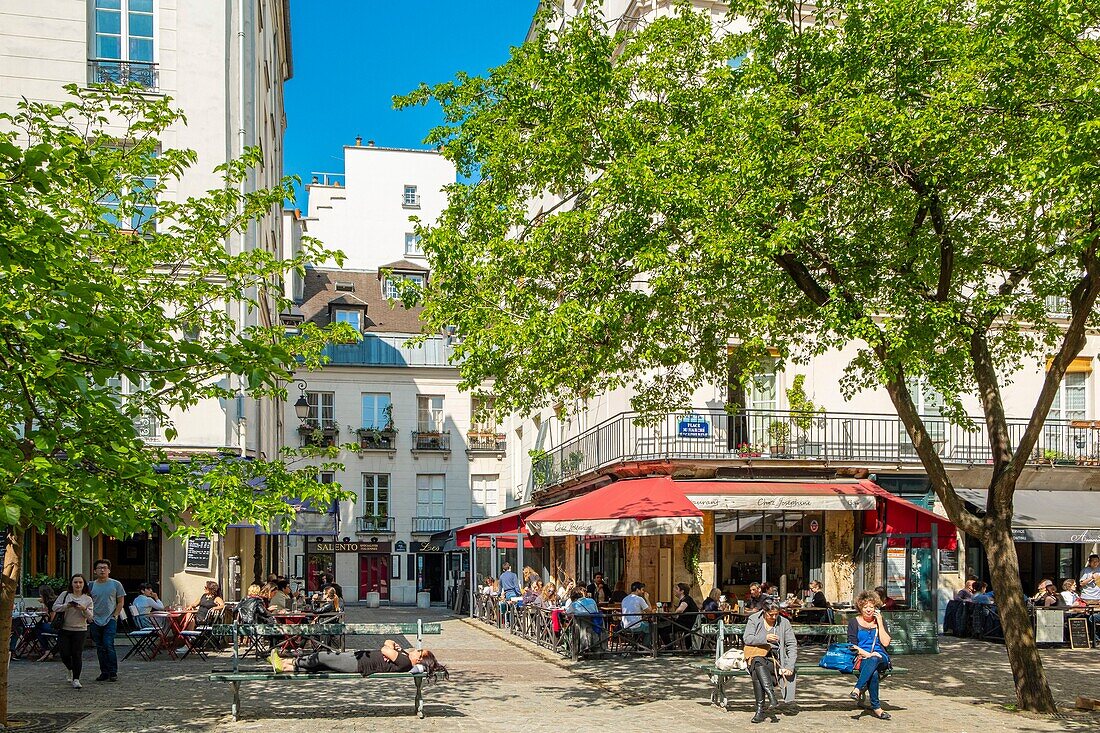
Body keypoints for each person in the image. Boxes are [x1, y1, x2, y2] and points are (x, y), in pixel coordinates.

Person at [268, 639, 448, 681]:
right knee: (321, 665)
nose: (415, 650)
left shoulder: (405, 662)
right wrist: (393, 647)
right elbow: (387, 644)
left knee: (322, 656)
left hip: (358, 664)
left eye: (419, 651)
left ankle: (290, 662)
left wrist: (391, 648)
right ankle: (284, 666)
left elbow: (385, 647)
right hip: (358, 659)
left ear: (419, 659)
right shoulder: (403, 658)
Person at [743, 598, 797, 724]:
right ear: (764, 611)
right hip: (755, 656)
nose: (773, 617)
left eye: (776, 614)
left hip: (775, 659)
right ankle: (770, 696)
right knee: (757, 661)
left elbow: (791, 645)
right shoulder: (754, 619)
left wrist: (789, 666)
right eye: (770, 614)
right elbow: (747, 638)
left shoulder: (784, 623)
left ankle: (761, 710)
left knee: (757, 668)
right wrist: (765, 638)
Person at [847, 589, 893, 720]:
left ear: (876, 608)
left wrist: (880, 622)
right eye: (865, 607)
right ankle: (877, 708)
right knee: (872, 672)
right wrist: (868, 654)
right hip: (862, 657)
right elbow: (852, 646)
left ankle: (857, 689)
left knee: (875, 658)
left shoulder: (880, 622)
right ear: (860, 608)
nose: (868, 610)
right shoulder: (854, 623)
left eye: (871, 607)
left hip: (881, 657)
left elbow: (886, 642)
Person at [52, 573, 94, 689]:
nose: (78, 584)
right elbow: (55, 607)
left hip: (80, 630)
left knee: (77, 654)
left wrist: (83, 609)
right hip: (65, 628)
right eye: (75, 582)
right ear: (71, 584)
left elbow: (90, 617)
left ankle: (76, 679)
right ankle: (70, 668)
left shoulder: (87, 599)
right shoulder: (65, 595)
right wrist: (67, 606)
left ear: (84, 584)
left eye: (80, 582)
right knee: (64, 654)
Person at [88, 558, 125, 682]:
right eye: (99, 568)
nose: (102, 570)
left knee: (108, 644)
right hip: (95, 620)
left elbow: (120, 602)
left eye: (105, 568)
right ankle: (104, 671)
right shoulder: (90, 585)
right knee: (99, 646)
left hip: (110, 619)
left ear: (109, 570)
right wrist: (90, 616)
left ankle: (113, 672)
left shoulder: (116, 584)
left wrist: (115, 616)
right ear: (95, 571)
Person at [34, 584, 59, 662]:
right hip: (60, 626)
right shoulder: (56, 600)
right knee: (39, 627)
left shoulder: (51, 603)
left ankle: (46, 649)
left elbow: (52, 619)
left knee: (37, 627)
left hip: (56, 627)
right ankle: (47, 650)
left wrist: (45, 608)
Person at [1080, 554, 1100, 643]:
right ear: (1090, 562)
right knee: (1087, 617)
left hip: (1098, 598)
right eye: (1093, 561)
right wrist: (1091, 577)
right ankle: (1091, 637)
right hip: (1087, 597)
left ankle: (1096, 637)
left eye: (1097, 561)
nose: (1096, 563)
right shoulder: (1085, 571)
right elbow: (1082, 583)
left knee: (1095, 617)